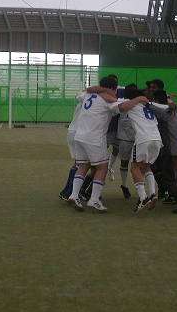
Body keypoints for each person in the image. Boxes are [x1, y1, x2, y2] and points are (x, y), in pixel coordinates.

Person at [68, 77, 147, 213]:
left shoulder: (87, 95)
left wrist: (100, 90)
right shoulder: (108, 101)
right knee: (102, 167)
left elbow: (81, 93)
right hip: (94, 138)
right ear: (112, 88)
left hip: (79, 136)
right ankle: (94, 200)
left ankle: (74, 195)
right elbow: (123, 107)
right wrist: (138, 99)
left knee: (83, 166)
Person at [123, 86, 164, 213]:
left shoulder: (130, 104)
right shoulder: (148, 106)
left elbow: (121, 106)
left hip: (143, 139)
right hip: (157, 139)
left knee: (134, 167)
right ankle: (152, 194)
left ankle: (143, 197)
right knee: (146, 166)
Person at [116, 83, 138, 199]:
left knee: (139, 164)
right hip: (124, 139)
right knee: (124, 162)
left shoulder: (139, 103)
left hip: (138, 139)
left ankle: (141, 189)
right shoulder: (121, 102)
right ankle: (124, 185)